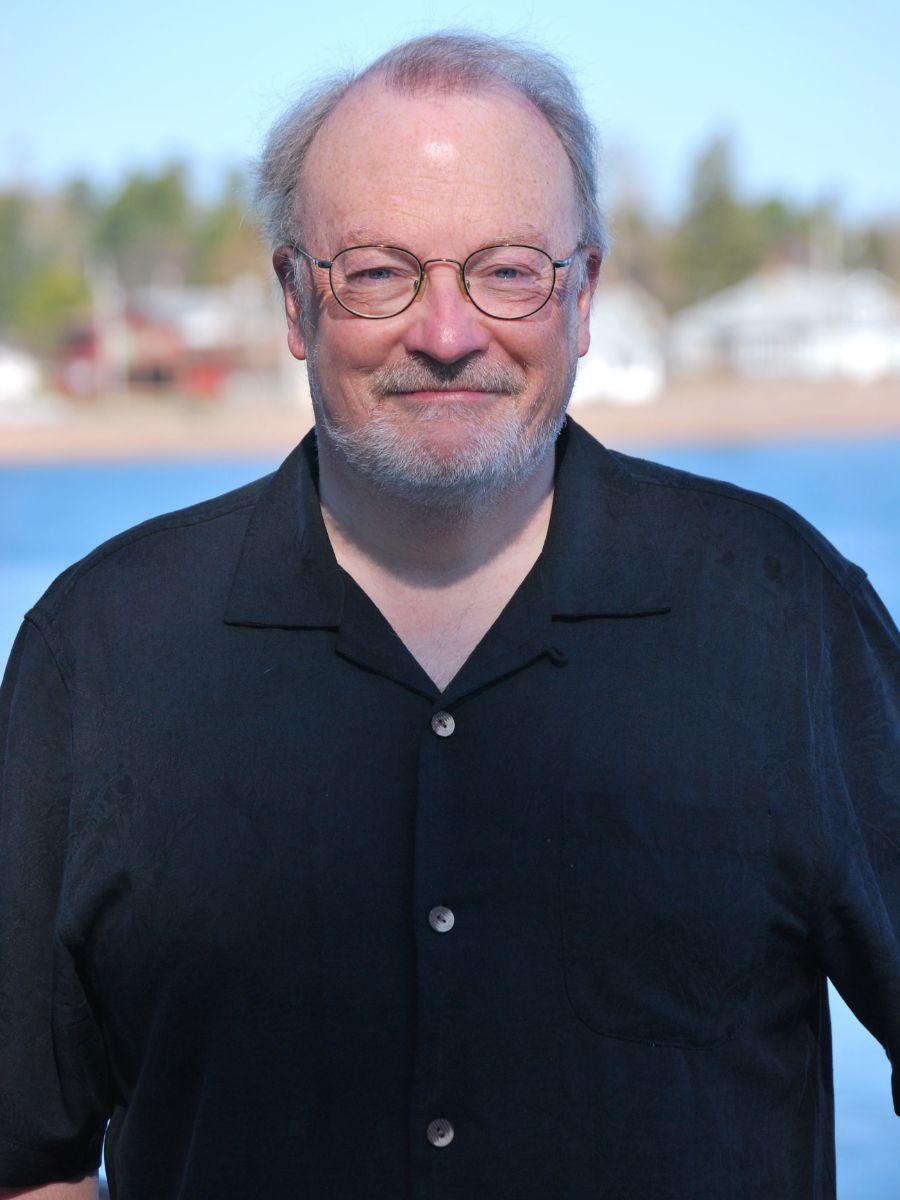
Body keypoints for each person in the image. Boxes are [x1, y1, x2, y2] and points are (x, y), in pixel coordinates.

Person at [1, 31, 898, 1200]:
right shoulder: (100, 654)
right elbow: (28, 1154)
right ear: (292, 299)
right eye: (378, 270)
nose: (446, 330)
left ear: (583, 298)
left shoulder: (787, 620)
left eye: (507, 268)